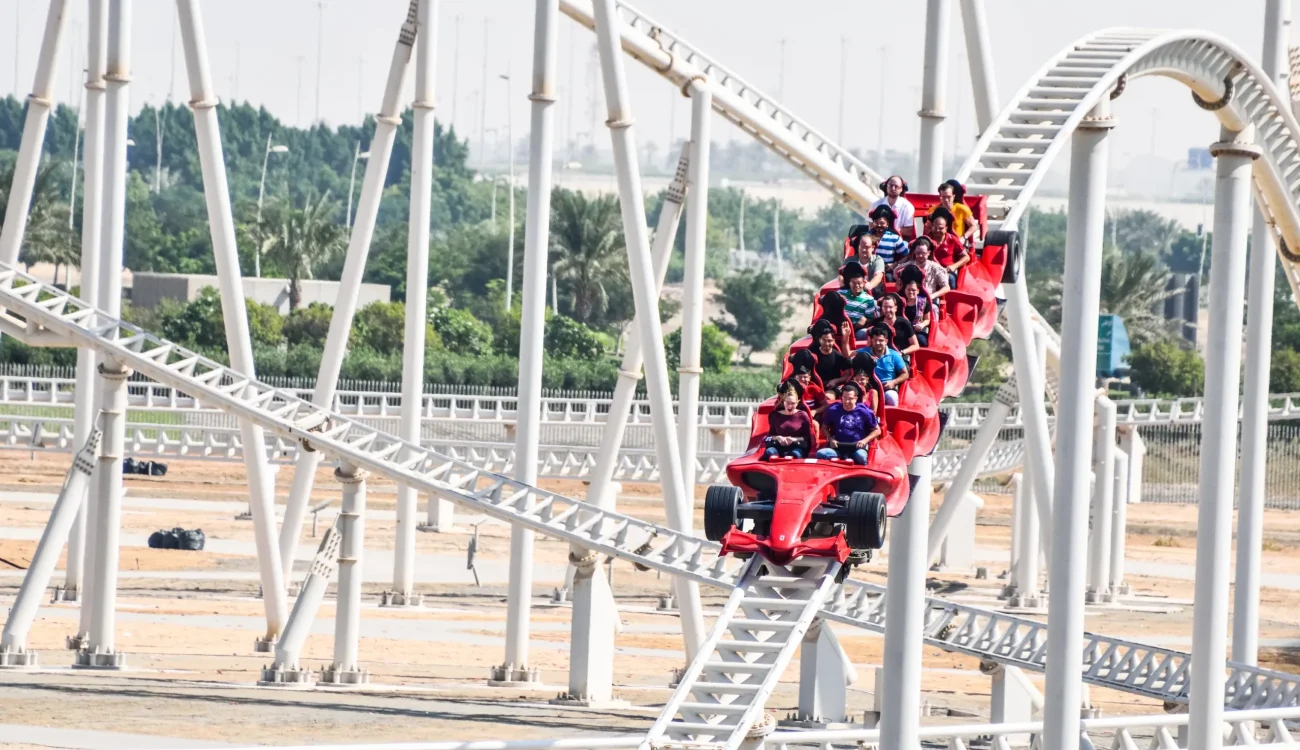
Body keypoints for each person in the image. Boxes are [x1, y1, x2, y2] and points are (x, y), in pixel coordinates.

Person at [815, 381, 880, 465]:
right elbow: (824, 427)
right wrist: (830, 438)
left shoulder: (865, 412)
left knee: (861, 457)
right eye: (844, 398)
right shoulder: (833, 410)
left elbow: (877, 430)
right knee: (821, 453)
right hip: (838, 447)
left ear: (856, 398)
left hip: (857, 447)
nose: (846, 401)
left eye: (850, 399)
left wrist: (864, 441)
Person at [763, 380, 814, 460]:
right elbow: (768, 437)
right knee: (770, 452)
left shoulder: (803, 416)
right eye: (788, 403)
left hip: (796, 447)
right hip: (778, 447)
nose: (790, 406)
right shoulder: (775, 415)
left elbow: (807, 438)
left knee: (795, 454)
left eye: (793, 403)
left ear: (797, 402)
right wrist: (778, 438)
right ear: (783, 402)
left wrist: (794, 439)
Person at [925, 207, 970, 288]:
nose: (937, 230)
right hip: (929, 270)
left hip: (947, 272)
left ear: (946, 228)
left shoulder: (953, 240)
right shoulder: (926, 240)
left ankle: (951, 298)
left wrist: (954, 266)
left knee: (950, 279)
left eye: (941, 228)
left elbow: (966, 257)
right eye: (935, 227)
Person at [868, 325, 909, 406]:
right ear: (872, 340)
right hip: (869, 387)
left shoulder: (894, 355)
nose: (877, 343)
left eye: (881, 340)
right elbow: (848, 354)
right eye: (875, 340)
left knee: (892, 397)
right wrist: (845, 339)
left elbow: (905, 374)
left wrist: (893, 382)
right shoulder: (865, 352)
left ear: (886, 341)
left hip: (886, 387)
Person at [838, 261, 878, 338]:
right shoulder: (840, 294)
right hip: (841, 326)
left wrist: (865, 319)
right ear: (849, 283)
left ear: (863, 283)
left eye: (859, 283)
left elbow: (871, 318)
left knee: (865, 333)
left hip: (857, 329)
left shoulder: (869, 299)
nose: (857, 286)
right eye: (853, 283)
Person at [809, 319, 852, 390]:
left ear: (833, 341)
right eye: (824, 340)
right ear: (819, 340)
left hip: (832, 388)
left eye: (829, 341)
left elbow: (847, 374)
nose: (827, 344)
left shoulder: (838, 356)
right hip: (815, 387)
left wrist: (835, 381)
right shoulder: (813, 355)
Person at [870, 175, 916, 240]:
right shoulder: (876, 204)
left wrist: (892, 232)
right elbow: (870, 225)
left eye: (896, 186)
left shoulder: (908, 207)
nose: (893, 188)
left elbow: (910, 231)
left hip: (900, 240)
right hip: (877, 239)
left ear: (901, 189)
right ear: (886, 187)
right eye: (890, 185)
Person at [938, 179, 978, 248]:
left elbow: (974, 226)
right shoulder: (934, 211)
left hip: (958, 245)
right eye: (943, 197)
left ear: (953, 196)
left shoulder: (962, 209)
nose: (946, 200)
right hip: (939, 245)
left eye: (948, 197)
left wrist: (963, 237)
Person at [868, 204, 909, 268]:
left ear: (887, 224)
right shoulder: (867, 237)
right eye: (876, 222)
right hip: (870, 269)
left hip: (887, 270)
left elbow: (907, 256)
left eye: (882, 223)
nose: (879, 225)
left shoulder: (895, 238)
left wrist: (895, 264)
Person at [898, 274, 931, 347]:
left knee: (921, 340)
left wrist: (922, 325)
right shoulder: (899, 302)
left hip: (917, 330)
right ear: (905, 291)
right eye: (908, 290)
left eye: (913, 290)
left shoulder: (923, 302)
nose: (911, 292)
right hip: (904, 330)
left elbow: (927, 320)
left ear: (918, 291)